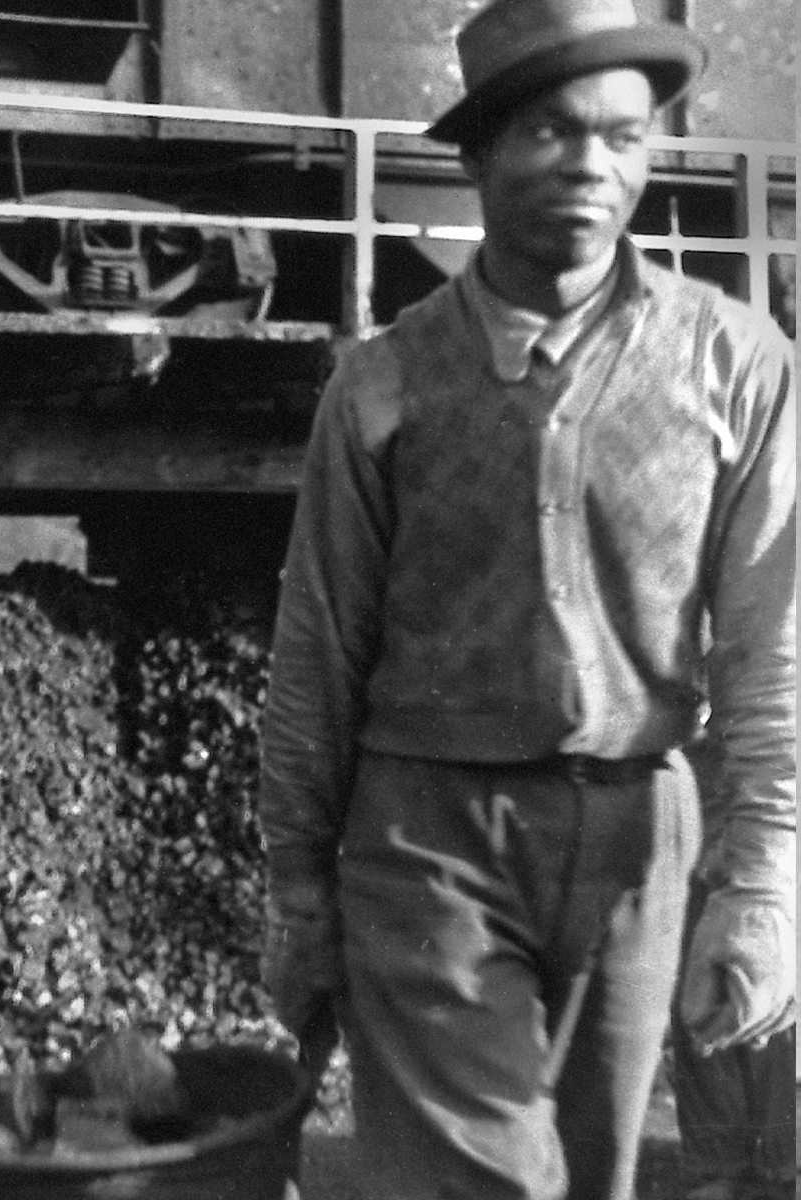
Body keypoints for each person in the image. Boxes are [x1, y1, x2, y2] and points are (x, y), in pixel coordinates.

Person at [257, 0, 796, 1193]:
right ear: (479, 151)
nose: (595, 168)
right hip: (426, 837)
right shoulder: (383, 383)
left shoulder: (736, 363)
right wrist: (298, 889)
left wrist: (763, 887)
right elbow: (319, 649)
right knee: (488, 1184)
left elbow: (774, 646)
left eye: (625, 136)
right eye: (553, 132)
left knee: (591, 1175)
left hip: (636, 837)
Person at [667, 739, 798, 1200]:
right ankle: (717, 1160)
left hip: (769, 801)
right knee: (699, 981)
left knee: (764, 987)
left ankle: (778, 1159)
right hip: (703, 792)